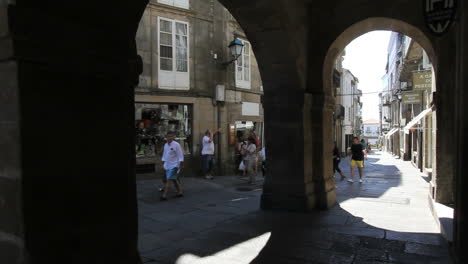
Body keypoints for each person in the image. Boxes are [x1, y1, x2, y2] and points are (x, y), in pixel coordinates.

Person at [160, 131, 184, 200]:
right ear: (166, 137)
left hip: (174, 165)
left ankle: (164, 195)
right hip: (167, 165)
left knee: (168, 179)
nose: (169, 138)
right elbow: (164, 155)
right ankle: (180, 192)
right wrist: (163, 163)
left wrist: (181, 163)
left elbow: (180, 155)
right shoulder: (165, 145)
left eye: (171, 136)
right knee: (174, 179)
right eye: (168, 136)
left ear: (173, 137)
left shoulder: (176, 145)